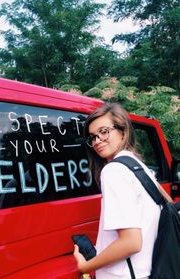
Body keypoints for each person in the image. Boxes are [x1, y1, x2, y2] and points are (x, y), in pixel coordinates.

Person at [73, 103, 172, 279]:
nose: (97, 141)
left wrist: (85, 266)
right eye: (92, 137)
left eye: (104, 131)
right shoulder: (139, 166)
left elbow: (131, 242)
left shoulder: (113, 171)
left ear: (123, 131)